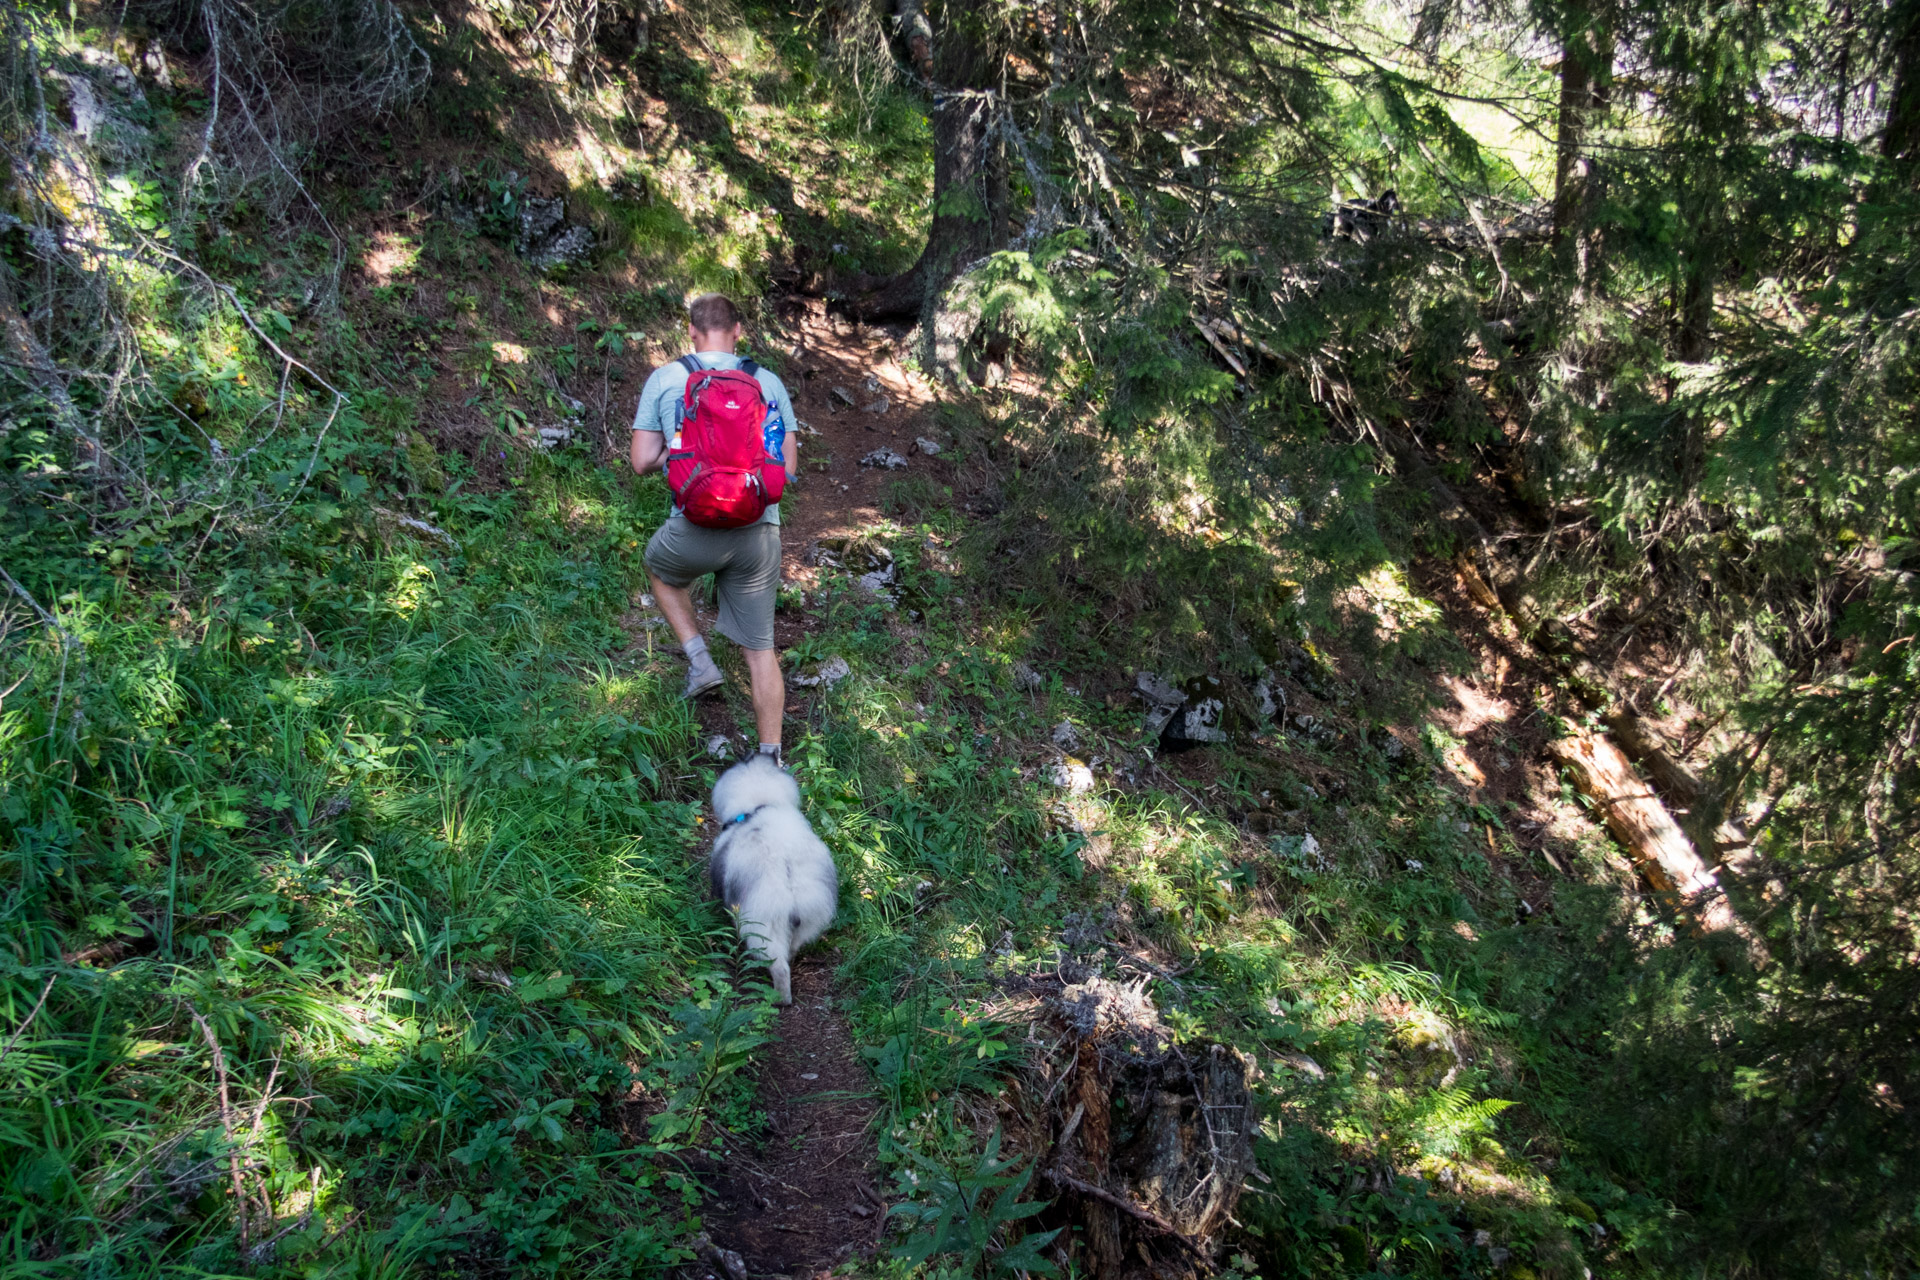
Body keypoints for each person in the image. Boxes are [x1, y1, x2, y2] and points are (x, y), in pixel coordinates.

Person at [630, 293, 799, 764]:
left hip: (692, 527)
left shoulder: (666, 379)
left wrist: (683, 458)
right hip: (757, 533)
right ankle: (770, 757)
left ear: (691, 331)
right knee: (760, 648)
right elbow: (787, 466)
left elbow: (641, 461)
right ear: (738, 330)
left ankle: (699, 660)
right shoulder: (767, 383)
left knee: (659, 569)